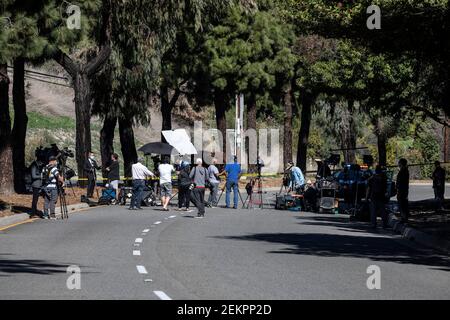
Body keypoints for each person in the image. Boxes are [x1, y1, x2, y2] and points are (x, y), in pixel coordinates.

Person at [366, 165, 388, 229]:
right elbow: (386, 187)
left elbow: (368, 188)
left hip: (373, 196)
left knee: (373, 211)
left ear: (375, 170)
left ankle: (373, 224)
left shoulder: (372, 178)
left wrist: (367, 197)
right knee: (382, 210)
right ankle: (384, 223)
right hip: (381, 196)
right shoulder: (384, 177)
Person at [396, 158, 410, 223]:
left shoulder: (403, 171)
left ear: (401, 163)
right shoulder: (404, 171)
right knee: (403, 203)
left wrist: (397, 187)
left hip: (402, 190)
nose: (398, 164)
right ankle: (404, 217)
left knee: (402, 204)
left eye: (399, 163)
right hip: (403, 190)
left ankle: (404, 218)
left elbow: (401, 181)